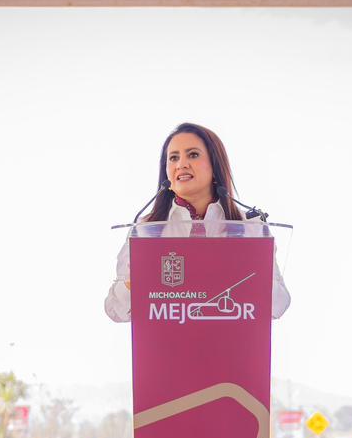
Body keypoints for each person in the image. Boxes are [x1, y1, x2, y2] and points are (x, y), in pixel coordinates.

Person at [103, 122, 291, 322]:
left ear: (215, 165)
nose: (181, 164)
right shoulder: (146, 230)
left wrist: (251, 270)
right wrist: (137, 280)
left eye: (193, 155)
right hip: (169, 339)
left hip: (230, 337)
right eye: (173, 158)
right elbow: (115, 311)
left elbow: (278, 306)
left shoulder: (250, 227)